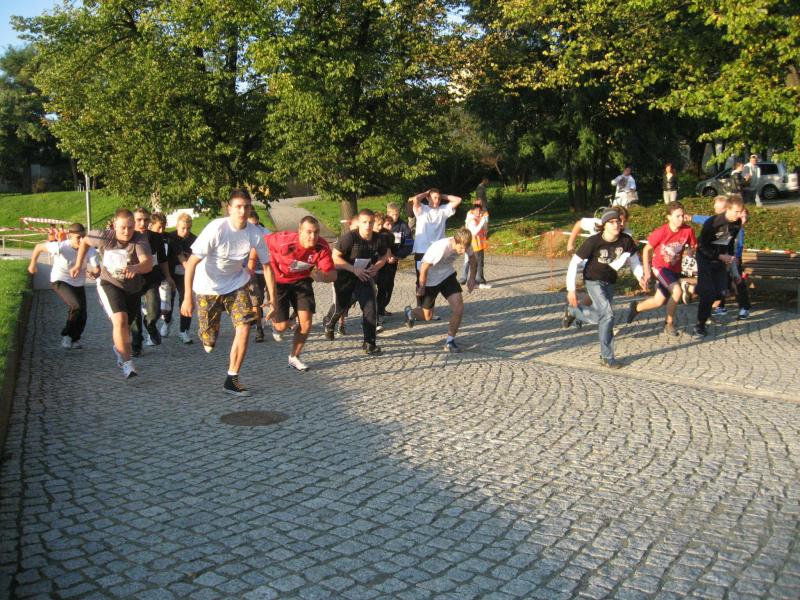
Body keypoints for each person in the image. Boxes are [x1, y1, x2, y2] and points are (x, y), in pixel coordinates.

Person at [180, 189, 276, 397]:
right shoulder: (217, 229)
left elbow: (267, 267)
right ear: (229, 209)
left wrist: (273, 299)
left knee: (244, 326)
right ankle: (206, 334)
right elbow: (191, 263)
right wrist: (187, 297)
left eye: (246, 207)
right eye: (238, 207)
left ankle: (232, 379)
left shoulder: (255, 233)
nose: (242, 211)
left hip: (236, 283)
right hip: (207, 287)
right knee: (209, 342)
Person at [70, 208, 153, 378]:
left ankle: (120, 348)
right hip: (109, 283)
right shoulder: (103, 236)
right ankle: (128, 364)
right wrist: (79, 264)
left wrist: (136, 267)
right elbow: (84, 241)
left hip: (132, 288)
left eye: (130, 227)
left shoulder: (139, 239)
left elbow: (148, 264)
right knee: (120, 320)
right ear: (115, 226)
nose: (127, 232)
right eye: (123, 227)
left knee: (126, 328)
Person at [563, 209, 645, 368]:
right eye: (611, 222)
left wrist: (640, 276)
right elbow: (574, 263)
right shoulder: (593, 242)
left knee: (600, 317)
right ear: (604, 225)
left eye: (618, 222)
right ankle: (607, 357)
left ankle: (573, 311)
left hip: (610, 281)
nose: (616, 225)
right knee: (608, 315)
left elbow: (634, 260)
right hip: (593, 280)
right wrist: (571, 289)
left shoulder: (626, 240)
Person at [267, 216, 337, 371]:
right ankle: (277, 326)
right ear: (300, 232)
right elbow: (259, 242)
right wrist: (252, 264)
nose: (313, 236)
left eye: (316, 232)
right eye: (309, 232)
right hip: (279, 282)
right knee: (282, 326)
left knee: (306, 322)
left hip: (302, 281)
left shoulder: (321, 246)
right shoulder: (283, 241)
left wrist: (322, 277)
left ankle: (294, 357)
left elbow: (333, 275)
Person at [323, 209, 390, 355]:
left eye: (370, 222)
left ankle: (369, 343)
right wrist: (353, 269)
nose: (367, 226)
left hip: (363, 276)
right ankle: (329, 323)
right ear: (359, 223)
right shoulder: (349, 238)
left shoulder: (378, 238)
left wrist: (376, 267)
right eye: (364, 222)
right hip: (345, 275)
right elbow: (335, 257)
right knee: (342, 306)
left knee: (370, 307)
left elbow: (385, 255)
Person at [625, 202, 697, 336]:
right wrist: (647, 272)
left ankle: (636, 308)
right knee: (676, 291)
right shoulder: (661, 232)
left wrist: (691, 251)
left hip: (674, 269)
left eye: (682, 215)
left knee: (659, 301)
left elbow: (693, 247)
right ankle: (669, 324)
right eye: (677, 216)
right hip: (660, 268)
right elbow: (646, 250)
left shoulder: (688, 231)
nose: (681, 219)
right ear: (669, 217)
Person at [404, 228, 476, 353]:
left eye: (465, 248)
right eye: (461, 248)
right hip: (430, 279)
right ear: (455, 241)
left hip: (447, 275)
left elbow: (473, 259)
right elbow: (424, 267)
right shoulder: (441, 248)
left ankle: (450, 341)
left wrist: (472, 278)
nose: (463, 251)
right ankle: (411, 312)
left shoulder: (466, 244)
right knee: (427, 316)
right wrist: (422, 286)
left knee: (459, 308)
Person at [28, 223, 98, 349]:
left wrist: (94, 273)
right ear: (70, 236)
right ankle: (66, 336)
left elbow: (96, 268)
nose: (81, 240)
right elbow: (38, 247)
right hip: (60, 280)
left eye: (83, 237)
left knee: (82, 313)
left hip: (78, 283)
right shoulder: (61, 246)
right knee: (76, 305)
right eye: (78, 237)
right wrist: (32, 264)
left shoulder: (90, 249)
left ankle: (75, 339)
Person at [692, 194, 744, 339]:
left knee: (721, 292)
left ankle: (695, 289)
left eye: (741, 212)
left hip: (721, 258)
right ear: (728, 209)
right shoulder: (713, 223)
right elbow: (702, 246)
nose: (739, 215)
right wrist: (720, 256)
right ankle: (700, 325)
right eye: (736, 212)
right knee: (708, 293)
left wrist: (732, 259)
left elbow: (730, 243)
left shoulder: (737, 223)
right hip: (705, 258)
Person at [409, 189, 462, 307]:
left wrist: (442, 196)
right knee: (420, 279)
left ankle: (429, 306)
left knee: (436, 278)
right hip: (422, 250)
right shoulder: (422, 209)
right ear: (428, 198)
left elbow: (458, 200)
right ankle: (420, 306)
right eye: (434, 198)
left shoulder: (443, 210)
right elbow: (416, 199)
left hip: (438, 251)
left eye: (438, 198)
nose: (437, 200)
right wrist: (426, 193)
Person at [130, 207, 169, 354]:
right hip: (132, 280)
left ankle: (150, 324)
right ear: (133, 221)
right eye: (139, 220)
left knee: (154, 309)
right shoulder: (129, 237)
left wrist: (168, 277)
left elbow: (162, 260)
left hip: (151, 278)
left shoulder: (156, 237)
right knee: (134, 315)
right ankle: (136, 345)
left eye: (145, 220)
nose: (142, 223)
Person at [165, 213, 197, 344]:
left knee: (186, 299)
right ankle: (167, 321)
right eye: (183, 228)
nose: (186, 231)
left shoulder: (194, 239)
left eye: (188, 228)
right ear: (177, 226)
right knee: (168, 300)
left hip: (185, 274)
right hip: (171, 272)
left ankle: (184, 330)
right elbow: (181, 257)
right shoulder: (171, 237)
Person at [378, 202, 413, 317]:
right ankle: (377, 309)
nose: (395, 217)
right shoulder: (381, 223)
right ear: (387, 212)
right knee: (378, 285)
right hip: (379, 260)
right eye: (392, 214)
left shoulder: (403, 226)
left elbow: (409, 244)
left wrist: (397, 256)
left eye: (397, 214)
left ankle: (382, 307)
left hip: (393, 261)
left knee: (389, 285)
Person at [245, 210, 269, 343]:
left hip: (266, 271)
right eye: (251, 225)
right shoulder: (242, 234)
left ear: (258, 222)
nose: (253, 228)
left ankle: (275, 322)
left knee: (269, 298)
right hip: (251, 271)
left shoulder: (266, 233)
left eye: (256, 225)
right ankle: (259, 329)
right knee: (255, 301)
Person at [460, 201, 490, 288]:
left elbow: (484, 229)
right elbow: (474, 232)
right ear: (472, 211)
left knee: (479, 263)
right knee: (475, 264)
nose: (478, 212)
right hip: (474, 246)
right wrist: (482, 222)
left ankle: (479, 280)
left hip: (479, 245)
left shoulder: (479, 218)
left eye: (479, 211)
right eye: (476, 210)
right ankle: (476, 282)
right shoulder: (472, 220)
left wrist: (483, 223)